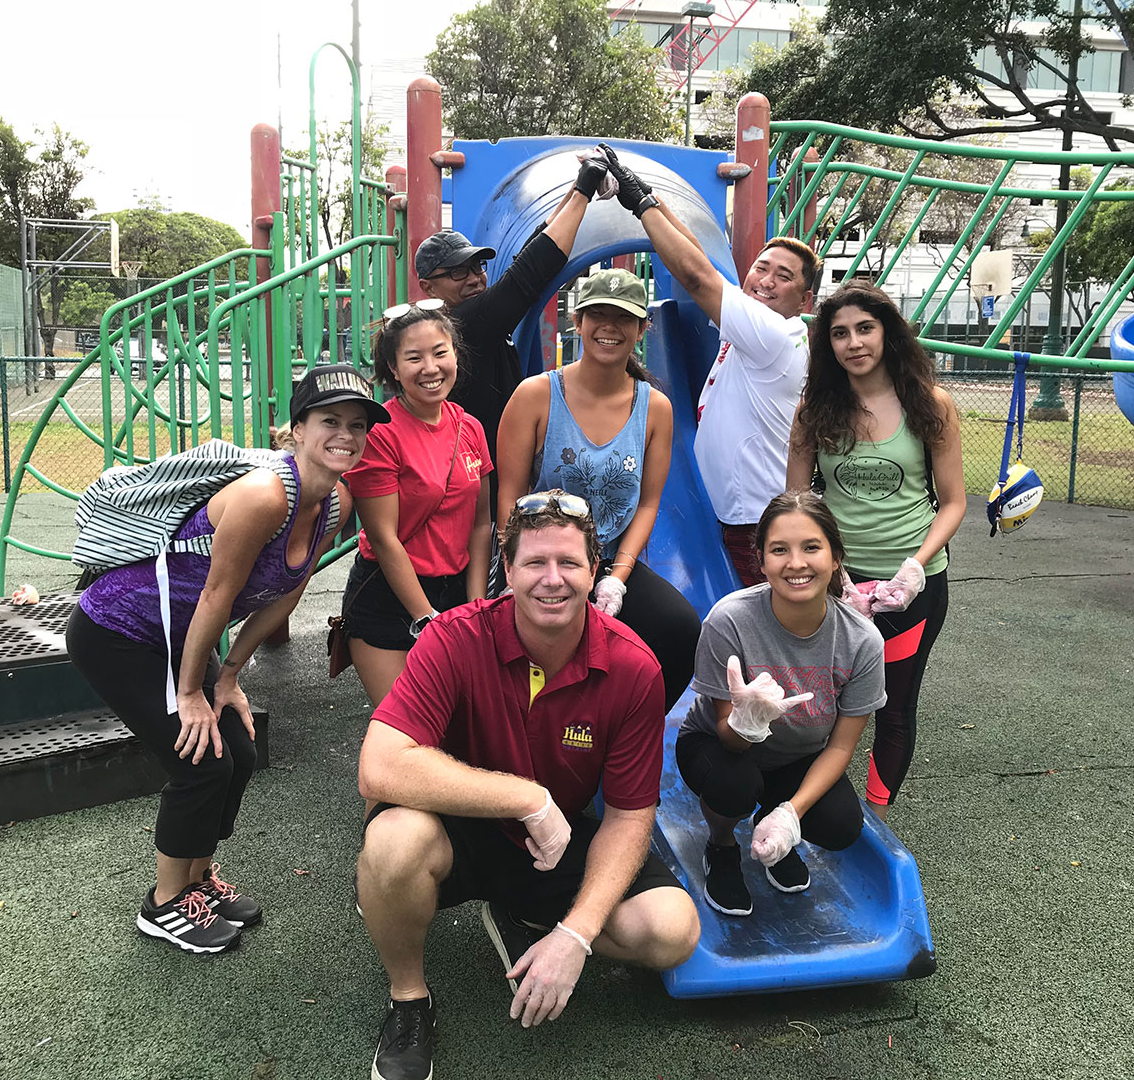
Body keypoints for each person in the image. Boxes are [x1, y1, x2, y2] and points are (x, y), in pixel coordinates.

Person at [356, 491, 700, 1080]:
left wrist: (577, 934)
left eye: (569, 563)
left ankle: (529, 919)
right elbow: (380, 767)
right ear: (507, 570)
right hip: (460, 830)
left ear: (595, 571)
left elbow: (628, 816)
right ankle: (410, 999)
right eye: (535, 563)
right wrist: (527, 798)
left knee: (671, 932)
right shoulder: (453, 638)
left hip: (554, 845)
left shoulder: (635, 668)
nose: (552, 580)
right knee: (392, 842)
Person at [66, 364, 384, 954]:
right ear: (297, 429)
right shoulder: (264, 497)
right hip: (119, 631)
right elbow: (217, 595)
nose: (346, 435)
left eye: (358, 425)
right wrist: (191, 694)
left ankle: (197, 881)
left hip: (179, 637)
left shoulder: (336, 501)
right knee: (199, 761)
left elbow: (289, 589)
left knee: (237, 749)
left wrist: (231, 675)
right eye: (330, 421)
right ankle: (163, 904)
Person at [600, 144, 818, 587]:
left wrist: (639, 202)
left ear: (804, 299)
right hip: (732, 511)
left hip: (754, 518)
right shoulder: (754, 326)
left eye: (784, 276)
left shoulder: (773, 334)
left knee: (760, 622)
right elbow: (697, 255)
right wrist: (652, 201)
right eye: (761, 268)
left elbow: (698, 276)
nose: (766, 281)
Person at [787, 281, 966, 812]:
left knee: (893, 707)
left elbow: (954, 502)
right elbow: (795, 502)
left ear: (888, 333)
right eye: (839, 333)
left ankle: (876, 817)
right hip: (832, 584)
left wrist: (914, 567)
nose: (854, 343)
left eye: (865, 328)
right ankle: (809, 807)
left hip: (912, 588)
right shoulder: (813, 411)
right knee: (817, 704)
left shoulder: (931, 406)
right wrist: (832, 570)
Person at [495, 268, 702, 707]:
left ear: (642, 328)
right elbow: (509, 498)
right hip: (543, 556)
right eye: (598, 314)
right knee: (541, 652)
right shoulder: (535, 395)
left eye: (623, 318)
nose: (610, 327)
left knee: (680, 629)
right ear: (578, 321)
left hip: (608, 563)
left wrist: (617, 578)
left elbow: (647, 503)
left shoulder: (655, 408)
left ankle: (623, 726)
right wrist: (519, 567)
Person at [677, 492, 886, 916]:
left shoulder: (862, 642)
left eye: (811, 547)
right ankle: (720, 845)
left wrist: (791, 814)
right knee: (734, 784)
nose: (796, 563)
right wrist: (746, 723)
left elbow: (842, 747)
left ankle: (772, 821)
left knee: (840, 823)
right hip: (722, 747)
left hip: (798, 757)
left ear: (835, 556)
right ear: (761, 559)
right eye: (779, 550)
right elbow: (725, 734)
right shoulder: (729, 620)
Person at [417, 153, 612, 470]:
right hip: (475, 474)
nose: (474, 278)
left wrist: (578, 188)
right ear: (428, 288)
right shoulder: (457, 325)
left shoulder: (473, 316)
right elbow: (529, 274)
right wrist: (584, 190)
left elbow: (528, 253)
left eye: (477, 266)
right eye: (456, 273)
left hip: (489, 464)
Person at [341, 301, 493, 706]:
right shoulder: (381, 433)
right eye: (414, 357)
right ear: (393, 368)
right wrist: (428, 619)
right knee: (406, 732)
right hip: (390, 598)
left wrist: (476, 604)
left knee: (460, 728)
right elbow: (384, 538)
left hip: (457, 591)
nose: (430, 368)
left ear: (455, 354)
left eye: (440, 353)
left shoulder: (470, 427)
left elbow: (481, 524)